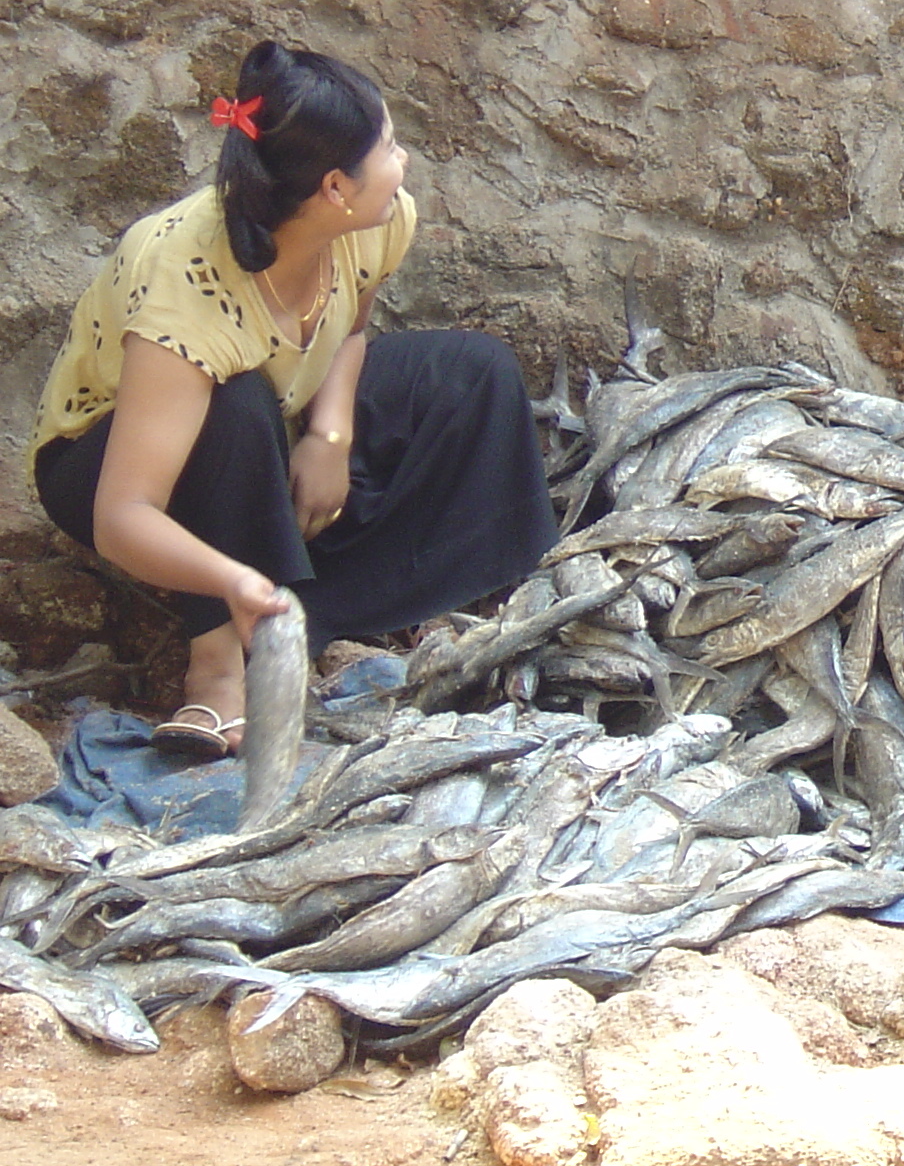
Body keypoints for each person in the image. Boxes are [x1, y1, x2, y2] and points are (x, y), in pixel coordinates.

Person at [28, 43, 556, 757]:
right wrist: (230, 578)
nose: (403, 163)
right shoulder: (185, 285)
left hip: (284, 409)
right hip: (111, 464)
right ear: (336, 186)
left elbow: (353, 329)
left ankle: (328, 609)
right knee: (237, 402)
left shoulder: (379, 218)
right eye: (391, 147)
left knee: (474, 373)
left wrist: (329, 434)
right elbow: (124, 515)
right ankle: (218, 664)